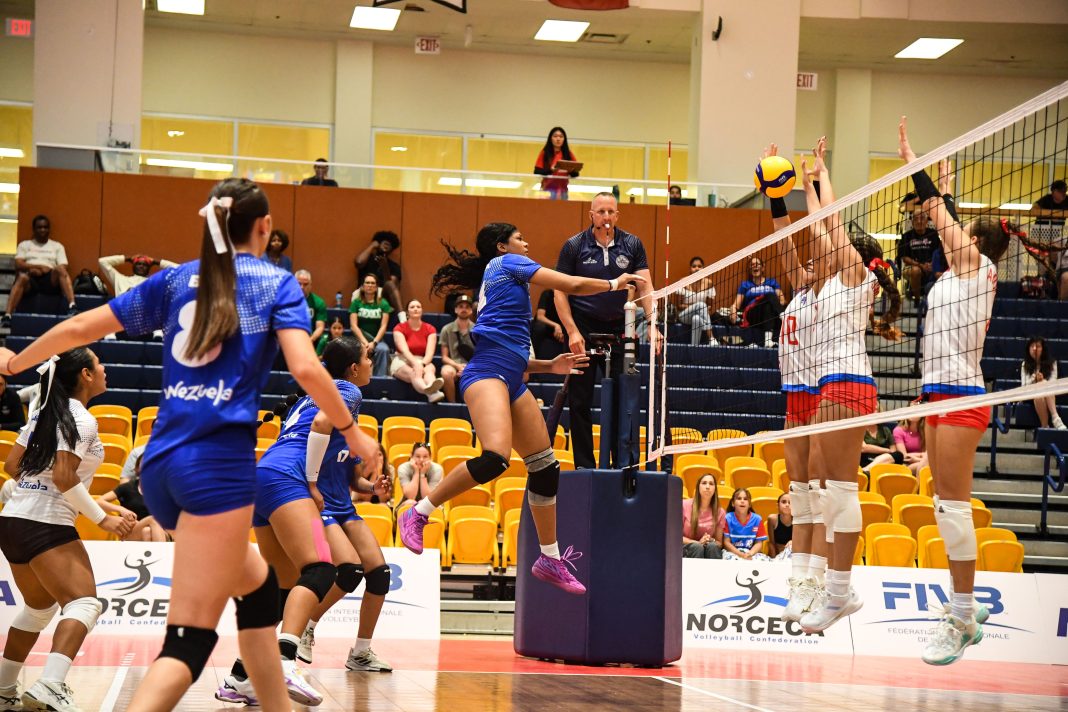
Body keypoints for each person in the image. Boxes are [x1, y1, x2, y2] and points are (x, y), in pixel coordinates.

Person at [0, 177, 378, 712]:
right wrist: (354, 431)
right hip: (216, 468)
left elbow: (83, 325)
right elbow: (304, 367)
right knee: (189, 642)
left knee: (255, 585)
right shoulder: (275, 284)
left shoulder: (177, 279)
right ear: (265, 229)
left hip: (161, 468)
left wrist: (14, 363)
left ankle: (272, 700)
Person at [402, 221, 635, 595]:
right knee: (494, 457)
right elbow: (571, 285)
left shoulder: (511, 283)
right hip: (486, 372)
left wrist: (549, 366)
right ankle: (418, 512)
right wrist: (614, 284)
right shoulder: (508, 264)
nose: (526, 243)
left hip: (510, 374)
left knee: (545, 465)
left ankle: (549, 557)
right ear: (502, 247)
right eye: (519, 238)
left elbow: (513, 353)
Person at [900, 117, 1014, 665]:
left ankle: (963, 617)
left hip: (963, 395)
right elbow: (948, 218)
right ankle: (965, 608)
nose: (955, 233)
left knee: (952, 508)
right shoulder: (954, 274)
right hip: (938, 392)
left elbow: (943, 221)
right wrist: (946, 182)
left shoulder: (980, 266)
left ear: (976, 243)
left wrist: (912, 162)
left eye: (962, 232)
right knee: (944, 505)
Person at [216, 337, 385, 707]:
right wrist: (310, 480)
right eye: (368, 357)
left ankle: (239, 677)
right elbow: (324, 423)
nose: (373, 362)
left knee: (283, 588)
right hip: (288, 481)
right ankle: (285, 660)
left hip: (264, 476)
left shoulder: (310, 394)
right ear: (354, 369)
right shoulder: (348, 390)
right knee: (322, 569)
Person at [799, 141, 901, 635]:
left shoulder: (856, 277)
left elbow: (833, 226)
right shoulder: (837, 279)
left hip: (849, 384)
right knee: (824, 486)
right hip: (830, 385)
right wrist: (809, 184)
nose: (829, 246)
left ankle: (840, 592)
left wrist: (825, 182)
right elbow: (822, 227)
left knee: (840, 492)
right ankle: (833, 587)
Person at [0, 348, 135, 711]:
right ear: (86, 375)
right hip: (45, 522)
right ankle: (50, 684)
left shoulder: (43, 412)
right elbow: (62, 475)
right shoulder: (81, 418)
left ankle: (3, 688)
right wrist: (101, 519)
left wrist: (101, 504)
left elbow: (15, 466)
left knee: (38, 608)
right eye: (99, 363)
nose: (105, 368)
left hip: (13, 520)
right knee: (85, 603)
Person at [766, 139, 825, 623]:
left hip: (821, 396)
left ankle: (818, 581)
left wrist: (815, 185)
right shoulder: (799, 293)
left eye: (813, 265)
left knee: (820, 497)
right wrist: (774, 191)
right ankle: (799, 583)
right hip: (794, 397)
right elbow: (785, 241)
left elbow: (816, 237)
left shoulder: (830, 290)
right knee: (799, 494)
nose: (804, 268)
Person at [554, 192, 658, 469]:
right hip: (583, 328)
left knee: (624, 400)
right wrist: (572, 332)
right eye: (601, 212)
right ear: (591, 215)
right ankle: (584, 466)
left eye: (611, 212)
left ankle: (621, 464)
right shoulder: (574, 246)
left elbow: (645, 285)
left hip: (620, 329)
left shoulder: (633, 244)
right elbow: (559, 293)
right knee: (579, 402)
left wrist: (653, 323)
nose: (606, 217)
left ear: (617, 215)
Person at [2, 215, 77, 324]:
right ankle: (7, 316)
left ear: (49, 229)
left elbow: (63, 266)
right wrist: (37, 267)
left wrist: (47, 270)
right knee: (22, 277)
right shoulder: (25, 245)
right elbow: (18, 263)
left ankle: (72, 306)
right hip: (30, 279)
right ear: (34, 229)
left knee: (60, 270)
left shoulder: (57, 246)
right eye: (39, 227)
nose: (43, 230)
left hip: (50, 281)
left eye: (45, 227)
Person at [98, 455, 170, 542]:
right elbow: (99, 501)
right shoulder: (127, 487)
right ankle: (163, 555)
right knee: (152, 520)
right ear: (137, 468)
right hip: (131, 532)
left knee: (147, 531)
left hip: (159, 531)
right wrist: (121, 509)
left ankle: (158, 555)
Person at [391, 299, 445, 404]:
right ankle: (430, 392)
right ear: (407, 312)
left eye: (418, 307)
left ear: (422, 310)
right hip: (403, 359)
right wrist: (416, 364)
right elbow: (404, 350)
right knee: (414, 372)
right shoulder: (399, 328)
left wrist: (423, 364)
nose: (415, 309)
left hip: (423, 359)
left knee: (430, 369)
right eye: (412, 307)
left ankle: (431, 389)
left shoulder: (430, 329)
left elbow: (430, 353)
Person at [731, 256, 785, 348]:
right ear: (750, 269)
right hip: (753, 314)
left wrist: (774, 305)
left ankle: (768, 341)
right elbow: (736, 304)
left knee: (768, 305)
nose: (755, 266)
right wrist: (733, 310)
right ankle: (783, 316)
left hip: (769, 315)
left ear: (763, 268)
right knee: (769, 295)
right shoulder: (745, 285)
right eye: (752, 265)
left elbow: (782, 300)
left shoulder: (772, 282)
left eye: (757, 264)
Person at [348, 273, 393, 377]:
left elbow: (384, 326)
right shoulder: (356, 303)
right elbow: (353, 325)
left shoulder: (383, 303)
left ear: (377, 287)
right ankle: (356, 379)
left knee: (384, 349)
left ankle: (379, 382)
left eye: (373, 283)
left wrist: (374, 342)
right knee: (356, 350)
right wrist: (364, 342)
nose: (370, 285)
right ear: (363, 286)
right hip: (359, 339)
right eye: (367, 283)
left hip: (376, 340)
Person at [354, 231, 403, 317]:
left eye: (389, 245)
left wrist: (385, 268)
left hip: (382, 298)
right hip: (364, 294)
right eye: (384, 243)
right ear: (378, 243)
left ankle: (402, 319)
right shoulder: (367, 260)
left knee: (390, 284)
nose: (386, 245)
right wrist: (372, 245)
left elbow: (392, 286)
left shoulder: (394, 266)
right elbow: (358, 262)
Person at [1022, 336, 1066, 430]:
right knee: (1042, 385)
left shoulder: (1052, 363)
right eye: (1032, 346)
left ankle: (1045, 426)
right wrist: (1034, 380)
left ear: (1043, 349)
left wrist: (1041, 381)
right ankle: (1056, 419)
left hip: (1048, 395)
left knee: (1043, 387)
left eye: (1038, 346)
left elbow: (1053, 383)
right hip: (1029, 395)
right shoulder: (1025, 364)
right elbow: (1024, 386)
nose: (1034, 349)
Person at [439, 294, 476, 403]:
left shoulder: (477, 330)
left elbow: (481, 355)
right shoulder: (446, 329)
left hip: (472, 364)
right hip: (453, 364)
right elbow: (444, 357)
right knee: (446, 373)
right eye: (460, 306)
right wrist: (458, 366)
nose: (464, 309)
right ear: (455, 310)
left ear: (470, 311)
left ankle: (472, 406)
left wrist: (467, 368)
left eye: (467, 307)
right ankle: (452, 404)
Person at [899, 210, 942, 301]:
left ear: (927, 221)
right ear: (912, 222)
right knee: (915, 271)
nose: (919, 221)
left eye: (922, 218)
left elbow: (939, 253)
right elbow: (904, 257)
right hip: (911, 267)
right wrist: (921, 265)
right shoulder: (907, 236)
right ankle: (917, 300)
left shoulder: (933, 234)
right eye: (916, 219)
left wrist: (932, 264)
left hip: (930, 266)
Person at [675, 256, 716, 346]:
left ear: (703, 268)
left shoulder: (709, 283)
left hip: (701, 316)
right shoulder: (683, 281)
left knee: (696, 319)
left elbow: (710, 306)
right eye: (694, 266)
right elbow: (679, 305)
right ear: (690, 269)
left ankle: (694, 348)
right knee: (701, 305)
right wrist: (697, 306)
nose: (697, 268)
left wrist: (699, 308)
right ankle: (711, 337)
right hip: (684, 315)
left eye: (699, 266)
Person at [682, 473, 724, 559]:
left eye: (711, 484)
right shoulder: (684, 505)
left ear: (715, 489)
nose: (708, 486)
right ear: (698, 487)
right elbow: (676, 537)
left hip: (707, 548)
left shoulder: (720, 512)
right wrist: (697, 543)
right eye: (704, 483)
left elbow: (719, 543)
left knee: (713, 547)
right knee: (697, 548)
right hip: (686, 547)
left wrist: (710, 540)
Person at [99, 253, 179, 296]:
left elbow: (179, 269)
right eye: (138, 264)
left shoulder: (154, 281)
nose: (141, 266)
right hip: (122, 316)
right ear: (133, 266)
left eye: (145, 265)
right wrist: (128, 259)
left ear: (149, 267)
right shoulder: (120, 279)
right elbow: (102, 261)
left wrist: (156, 262)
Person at [722, 489, 770, 561]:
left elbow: (759, 543)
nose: (742, 501)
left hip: (751, 553)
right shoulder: (727, 518)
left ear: (749, 504)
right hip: (732, 552)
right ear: (733, 503)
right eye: (739, 498)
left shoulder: (757, 519)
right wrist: (741, 554)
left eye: (745, 499)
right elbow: (726, 542)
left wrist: (750, 553)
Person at [534, 127, 579, 201]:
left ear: (564, 139)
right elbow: (537, 171)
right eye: (555, 136)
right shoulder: (545, 153)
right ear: (550, 138)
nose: (558, 139)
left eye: (561, 136)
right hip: (547, 190)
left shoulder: (568, 154)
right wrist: (551, 170)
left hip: (563, 191)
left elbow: (576, 174)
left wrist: (571, 170)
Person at [397, 442, 444, 506]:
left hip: (430, 503)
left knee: (427, 504)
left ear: (430, 457)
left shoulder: (437, 469)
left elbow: (428, 498)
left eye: (425, 457)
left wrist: (422, 474)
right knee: (410, 502)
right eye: (418, 456)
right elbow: (411, 496)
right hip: (408, 503)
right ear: (411, 456)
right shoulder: (403, 468)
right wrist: (416, 472)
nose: (421, 460)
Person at [296, 269, 328, 347]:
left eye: (305, 284)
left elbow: (320, 327)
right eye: (299, 283)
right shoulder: (286, 301)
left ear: (310, 285)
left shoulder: (318, 302)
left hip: (310, 340)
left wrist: (309, 340)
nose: (302, 287)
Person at [531, 289, 566, 361]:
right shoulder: (547, 294)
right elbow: (540, 317)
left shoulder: (568, 298)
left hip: (560, 328)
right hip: (548, 326)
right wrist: (556, 326)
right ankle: (532, 359)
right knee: (539, 327)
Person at [767, 493, 793, 560]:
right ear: (777, 505)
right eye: (784, 502)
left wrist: (793, 542)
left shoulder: (798, 520)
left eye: (790, 502)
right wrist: (774, 560)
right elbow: (771, 543)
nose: (787, 505)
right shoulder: (772, 519)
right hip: (777, 555)